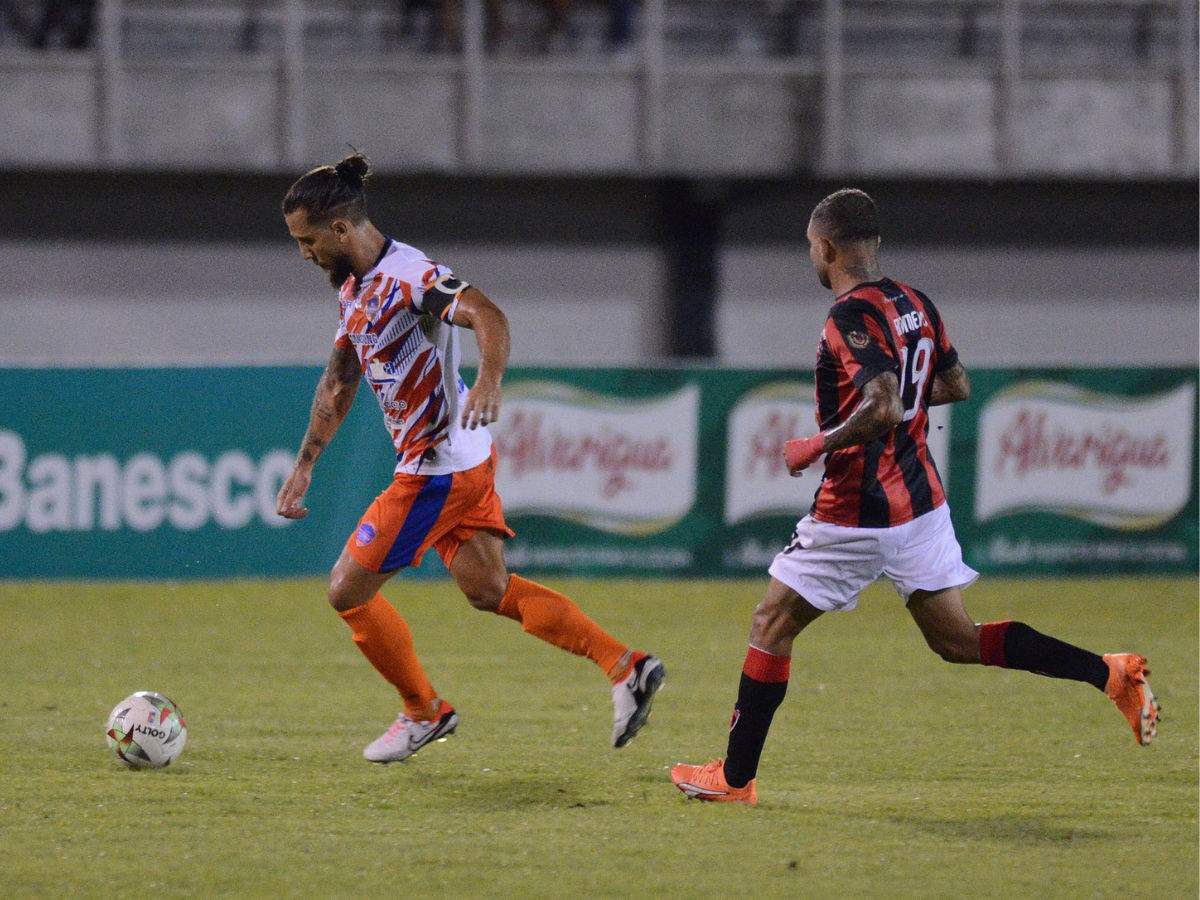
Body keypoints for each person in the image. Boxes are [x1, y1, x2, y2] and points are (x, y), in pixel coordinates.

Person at [670, 188, 1159, 806]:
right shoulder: (915, 302)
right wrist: (895, 405)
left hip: (857, 511)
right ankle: (1108, 673)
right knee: (956, 640)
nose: (811, 259)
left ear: (825, 246)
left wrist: (818, 444)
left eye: (810, 249)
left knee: (770, 624)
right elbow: (955, 383)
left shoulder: (848, 316)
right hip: (921, 506)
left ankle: (734, 780)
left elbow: (885, 404)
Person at [277, 153, 664, 763]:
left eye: (307, 241)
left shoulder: (412, 276)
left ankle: (423, 712)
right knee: (489, 589)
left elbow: (487, 313)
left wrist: (489, 378)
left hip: (438, 469)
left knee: (346, 591)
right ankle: (627, 666)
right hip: (463, 460)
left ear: (341, 230)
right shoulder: (353, 289)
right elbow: (339, 379)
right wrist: (306, 464)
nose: (304, 254)